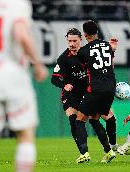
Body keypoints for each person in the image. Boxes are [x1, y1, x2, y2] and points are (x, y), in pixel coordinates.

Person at [0, 0, 48, 172]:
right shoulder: (16, 4)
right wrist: (38, 63)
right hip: (13, 75)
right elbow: (21, 35)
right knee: (25, 135)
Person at [51, 28, 119, 160]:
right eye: (69, 41)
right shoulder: (64, 58)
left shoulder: (88, 53)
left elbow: (106, 65)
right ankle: (84, 153)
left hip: (88, 92)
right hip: (71, 95)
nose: (72, 44)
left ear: (80, 40)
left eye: (74, 41)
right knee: (74, 120)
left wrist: (112, 51)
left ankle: (109, 149)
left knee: (99, 119)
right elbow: (54, 78)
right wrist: (64, 84)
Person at [74, 20, 117, 163]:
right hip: (110, 88)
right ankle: (109, 151)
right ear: (97, 31)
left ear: (85, 34)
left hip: (95, 89)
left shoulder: (83, 51)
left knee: (79, 119)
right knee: (94, 119)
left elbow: (83, 68)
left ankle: (84, 153)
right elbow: (110, 63)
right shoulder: (107, 45)